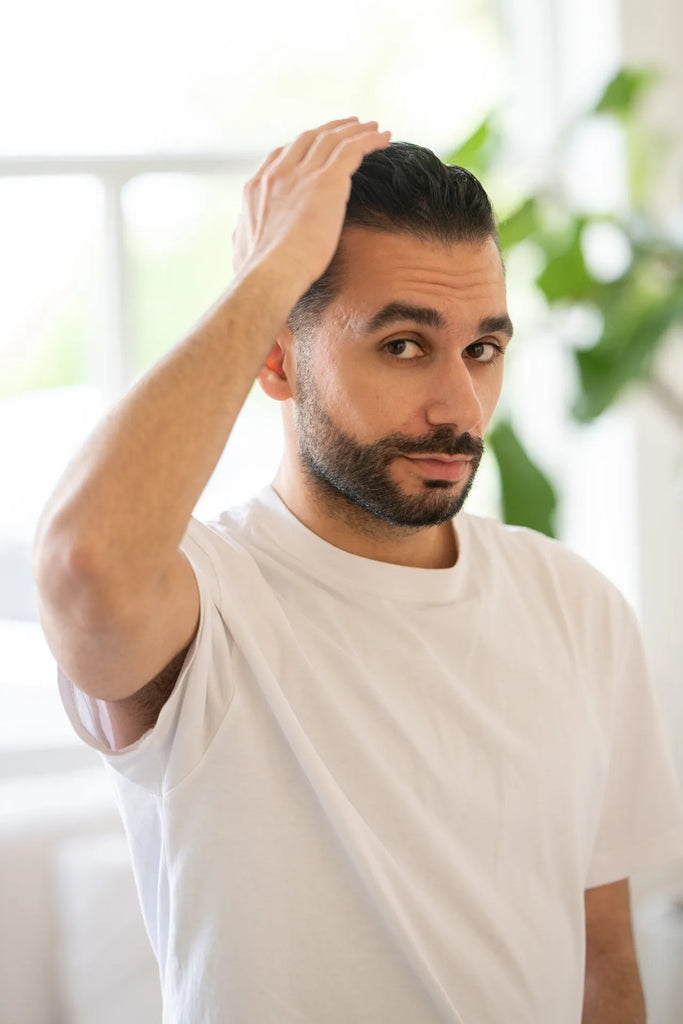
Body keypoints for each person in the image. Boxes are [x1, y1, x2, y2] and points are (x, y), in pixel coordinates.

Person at [33, 117, 683, 1024]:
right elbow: (82, 563)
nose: (459, 406)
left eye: (482, 350)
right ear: (276, 358)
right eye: (403, 345)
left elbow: (603, 969)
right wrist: (271, 273)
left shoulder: (576, 606)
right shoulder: (204, 607)